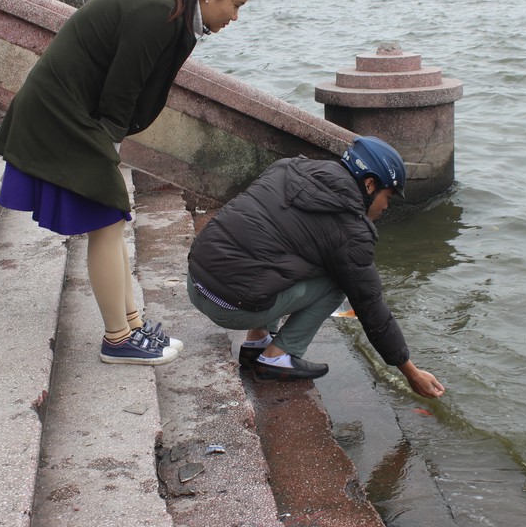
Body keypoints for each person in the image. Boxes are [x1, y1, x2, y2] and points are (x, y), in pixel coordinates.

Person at [0, 0, 258, 366]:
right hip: (62, 113)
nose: (235, 16)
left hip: (74, 110)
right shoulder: (157, 11)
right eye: (235, 5)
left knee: (112, 220)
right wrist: (110, 147)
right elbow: (122, 90)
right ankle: (119, 338)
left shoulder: (169, 8)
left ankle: (131, 325)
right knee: (108, 218)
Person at [187, 136, 446, 399]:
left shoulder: (288, 167)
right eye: (388, 195)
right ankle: (276, 358)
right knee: (340, 281)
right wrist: (411, 372)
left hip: (195, 281)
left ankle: (257, 342)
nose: (386, 206)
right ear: (370, 185)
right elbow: (371, 307)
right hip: (229, 308)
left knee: (278, 247)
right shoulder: (351, 229)